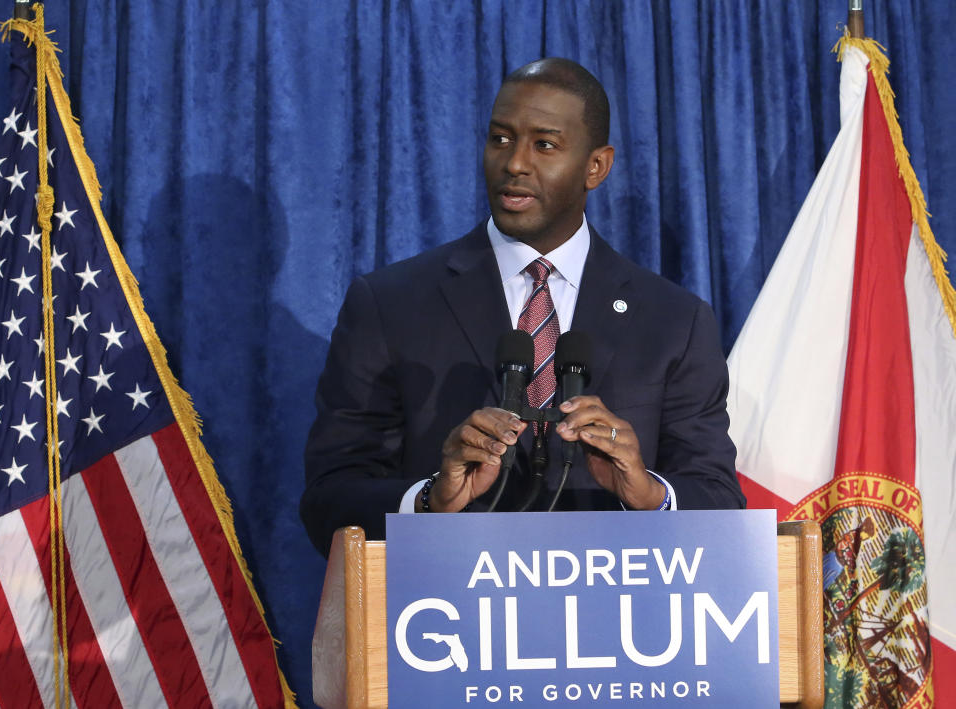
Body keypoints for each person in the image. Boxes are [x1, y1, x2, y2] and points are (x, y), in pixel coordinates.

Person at [301, 58, 744, 557]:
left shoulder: (674, 321)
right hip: (445, 617)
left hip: (613, 619)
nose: (514, 163)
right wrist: (428, 500)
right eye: (501, 139)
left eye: (545, 145)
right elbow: (328, 499)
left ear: (595, 166)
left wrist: (648, 494)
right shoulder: (390, 304)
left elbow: (719, 497)